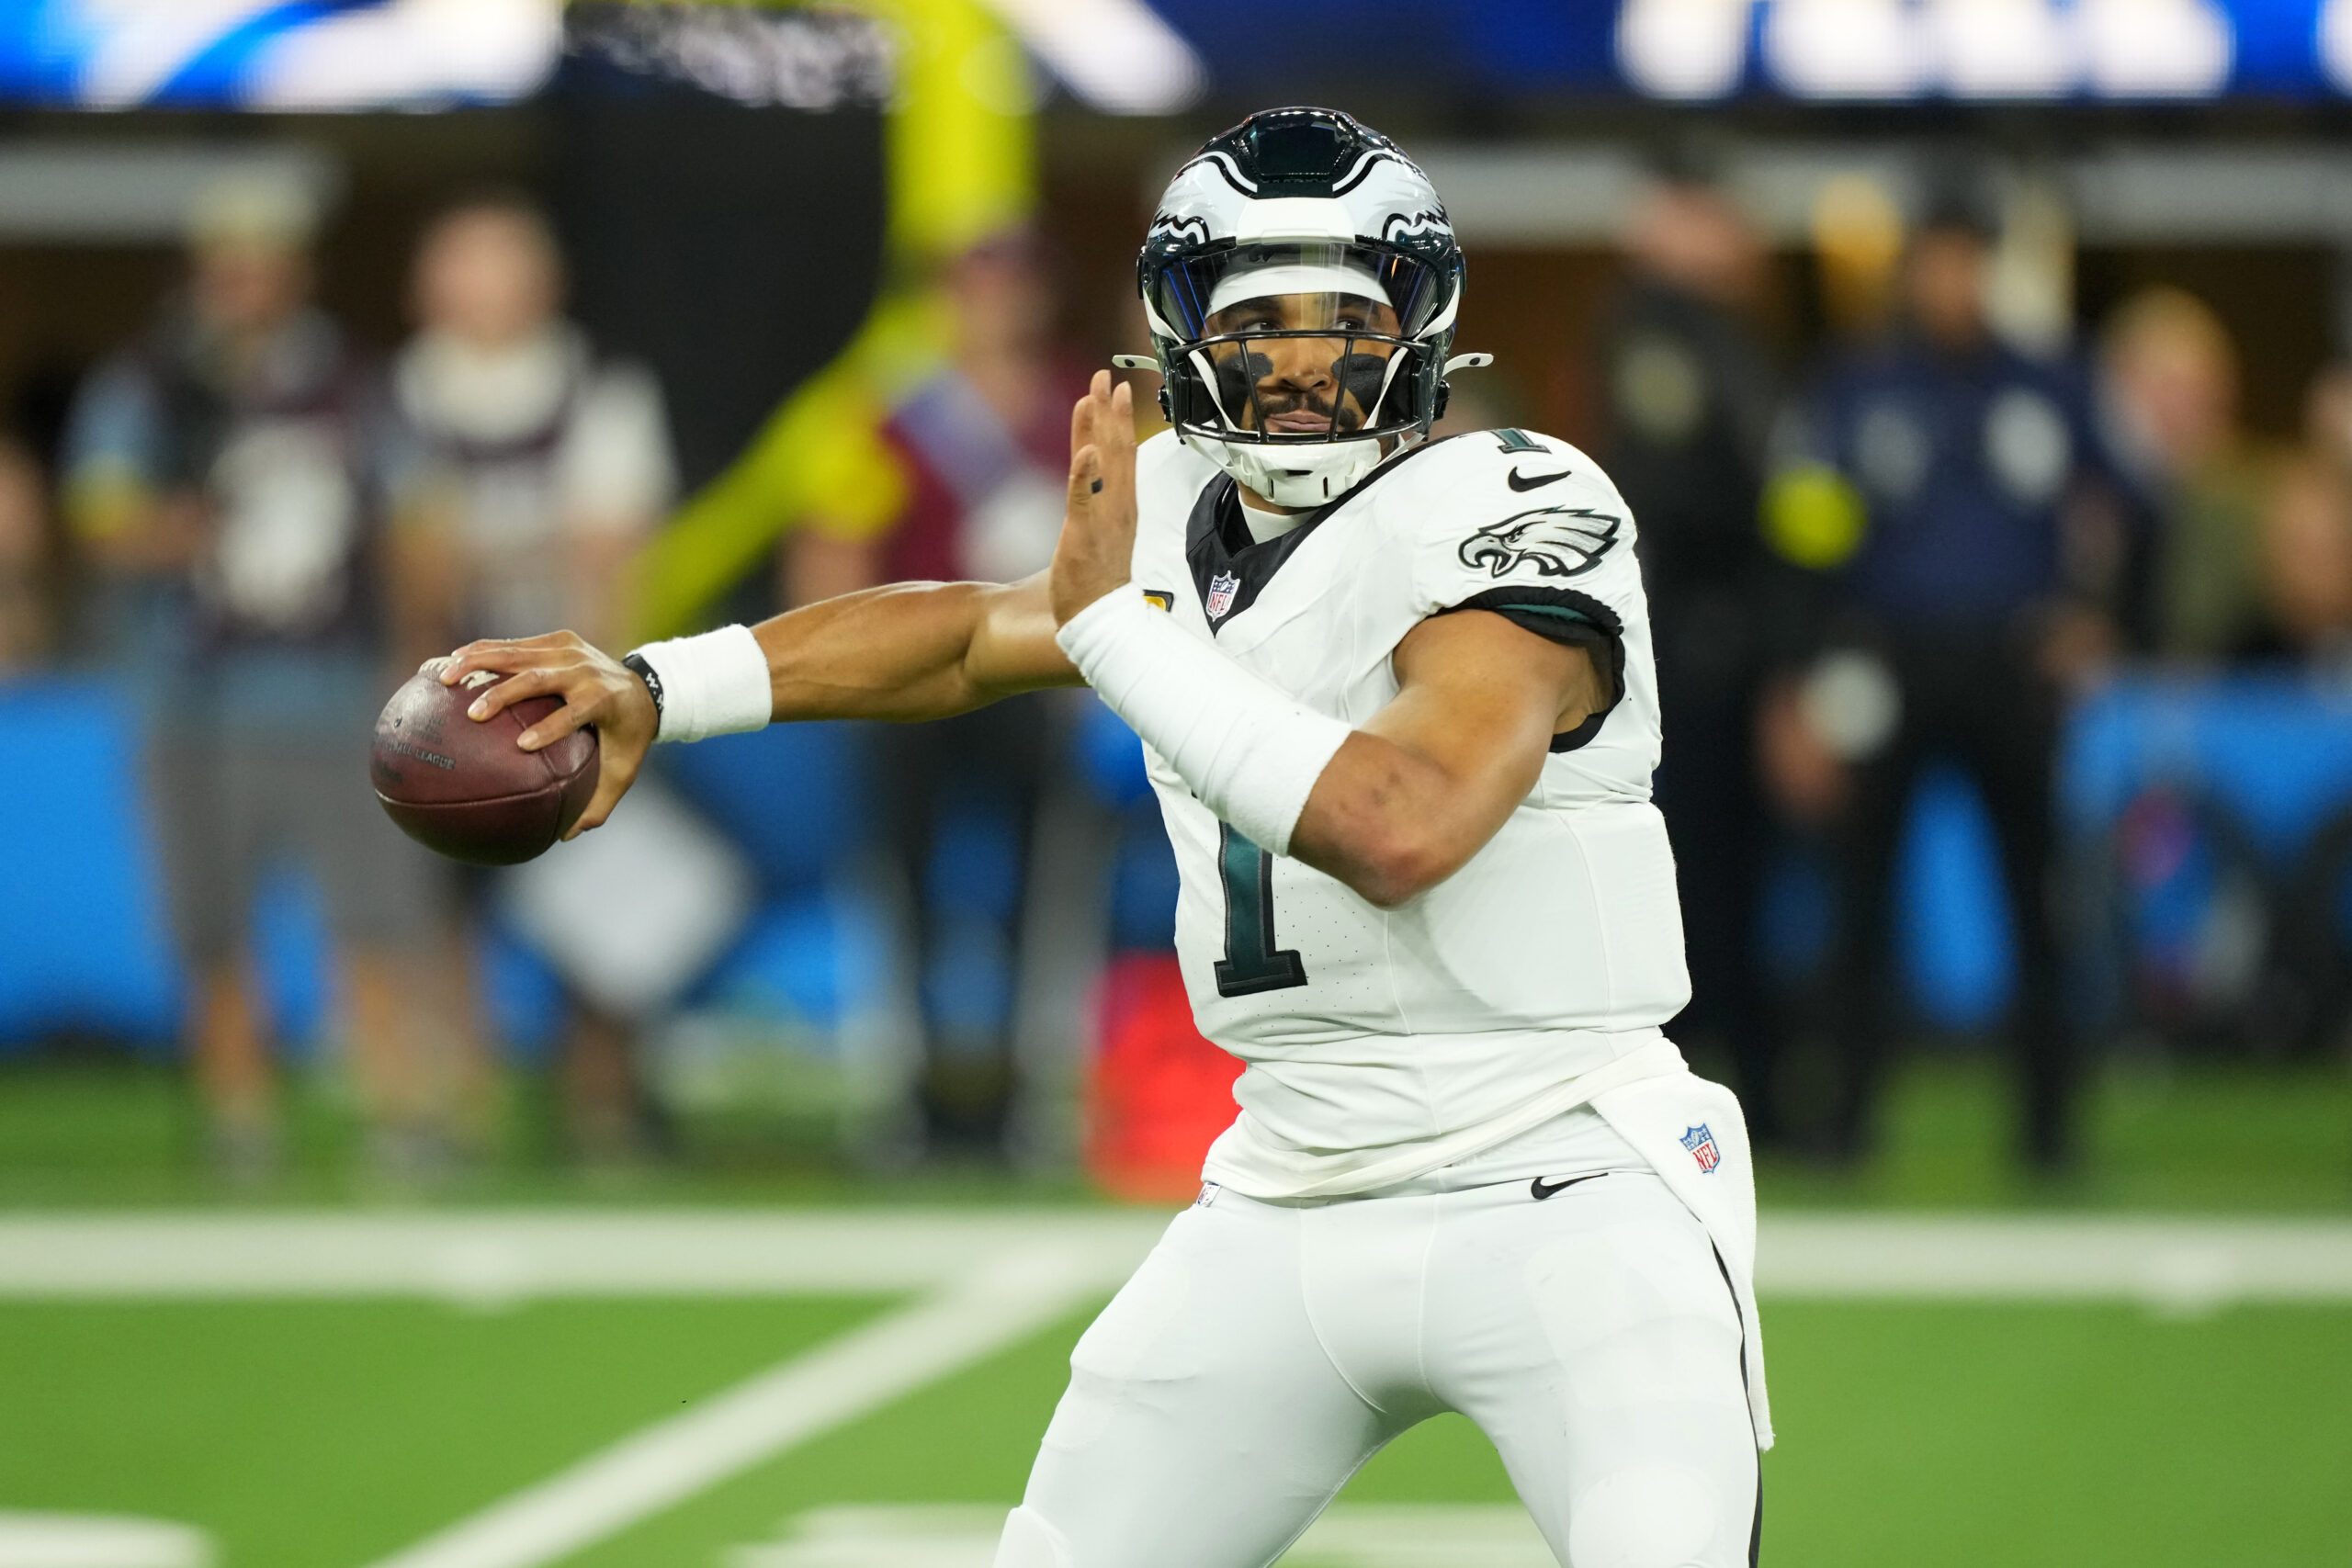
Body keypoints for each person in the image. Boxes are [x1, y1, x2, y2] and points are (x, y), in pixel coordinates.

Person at [441, 108, 1769, 1566]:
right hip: (1291, 1185)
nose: (1305, 364)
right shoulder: (1180, 515)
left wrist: (1117, 635)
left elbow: (1408, 820)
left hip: (1568, 1180)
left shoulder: (1519, 500)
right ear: (1184, 334)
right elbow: (955, 634)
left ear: (1425, 323)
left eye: (1344, 320)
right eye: (1261, 324)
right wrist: (659, 682)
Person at [60, 180, 442, 1178]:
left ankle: (396, 1106)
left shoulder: (353, 382)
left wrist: (415, 661)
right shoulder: (151, 383)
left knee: (373, 909)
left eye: (266, 261)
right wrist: (172, 525)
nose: (248, 283)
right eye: (231, 263)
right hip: (195, 687)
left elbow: (413, 524)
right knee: (212, 915)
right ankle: (241, 1112)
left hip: (332, 679)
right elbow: (102, 520)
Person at [1763, 192, 2127, 1174]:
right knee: (1859, 902)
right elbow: (1800, 531)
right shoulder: (1857, 382)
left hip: (2013, 667)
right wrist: (1801, 671)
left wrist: (2100, 618)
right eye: (1936, 258)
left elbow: (2133, 501)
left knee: (2039, 902)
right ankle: (1846, 1121)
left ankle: (2050, 1132)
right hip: (1885, 665)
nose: (1951, 280)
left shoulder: (2049, 377)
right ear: (1910, 266)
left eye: (1969, 259)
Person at [783, 231, 1090, 1161]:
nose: (993, 305)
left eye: (1011, 284)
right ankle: (906, 1092)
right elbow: (830, 555)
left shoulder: (1085, 409)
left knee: (1045, 894)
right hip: (914, 685)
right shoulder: (889, 416)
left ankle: (1028, 1092)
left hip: (1040, 682)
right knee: (897, 887)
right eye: (973, 286)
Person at [384, 191, 678, 1158]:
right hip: (440, 688)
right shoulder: (404, 393)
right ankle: (453, 1105)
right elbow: (411, 560)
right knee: (438, 906)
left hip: (571, 685)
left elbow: (611, 552)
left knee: (601, 897)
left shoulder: (599, 387)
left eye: (504, 261)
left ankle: (604, 1101)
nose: (486, 287)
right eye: (467, 262)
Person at [1594, 160, 1791, 1146]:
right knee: (1684, 876)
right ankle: (1675, 1083)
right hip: (1680, 648)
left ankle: (1741, 1083)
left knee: (1731, 876)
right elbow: (1682, 492)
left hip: (1729, 643)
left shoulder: (1730, 337)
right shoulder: (1653, 331)